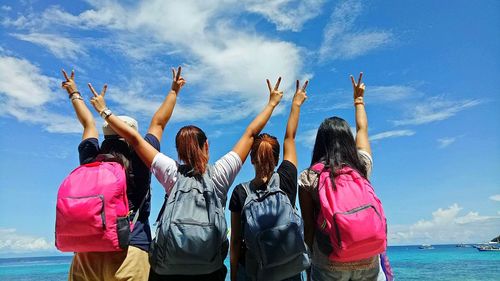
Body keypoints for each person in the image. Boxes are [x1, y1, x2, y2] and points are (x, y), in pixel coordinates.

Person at [88, 72, 284, 281]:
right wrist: (272, 103)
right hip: (209, 270)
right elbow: (251, 133)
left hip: (167, 270)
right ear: (206, 145)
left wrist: (104, 111)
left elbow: (135, 140)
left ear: (178, 152)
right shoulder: (220, 175)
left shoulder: (171, 172)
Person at [61, 66, 186, 281]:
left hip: (86, 254)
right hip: (131, 250)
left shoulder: (91, 159)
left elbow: (87, 123)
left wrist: (74, 93)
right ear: (131, 134)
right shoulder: (141, 156)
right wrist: (174, 91)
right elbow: (159, 122)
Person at [298, 73, 380, 281]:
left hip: (329, 260)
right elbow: (362, 129)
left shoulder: (309, 177)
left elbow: (308, 227)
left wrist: (308, 264)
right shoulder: (361, 167)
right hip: (368, 258)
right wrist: (359, 100)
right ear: (347, 141)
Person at [229, 80, 309, 281]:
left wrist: (234, 272)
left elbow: (236, 241)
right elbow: (290, 137)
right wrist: (296, 104)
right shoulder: (287, 179)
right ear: (277, 158)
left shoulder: (240, 192)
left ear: (251, 158)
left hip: (254, 271)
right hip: (289, 268)